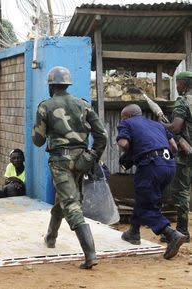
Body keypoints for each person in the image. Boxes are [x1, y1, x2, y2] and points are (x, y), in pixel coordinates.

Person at [32, 66, 107, 269]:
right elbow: (103, 136)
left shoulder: (45, 106)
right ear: (67, 84)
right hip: (82, 159)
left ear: (52, 86)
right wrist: (92, 155)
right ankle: (51, 237)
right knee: (63, 199)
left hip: (60, 162)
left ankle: (90, 254)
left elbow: (37, 141)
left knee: (71, 203)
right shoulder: (83, 105)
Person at [116, 104, 186, 259]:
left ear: (127, 116)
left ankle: (171, 234)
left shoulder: (127, 123)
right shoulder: (157, 124)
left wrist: (132, 154)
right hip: (169, 165)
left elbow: (123, 144)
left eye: (122, 117)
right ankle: (133, 232)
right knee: (144, 199)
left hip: (151, 165)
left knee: (147, 206)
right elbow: (173, 146)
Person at [162, 71, 192, 243]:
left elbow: (175, 127)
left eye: (178, 83)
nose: (177, 87)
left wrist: (162, 124)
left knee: (181, 192)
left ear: (184, 84)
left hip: (186, 156)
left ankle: (182, 231)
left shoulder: (183, 101)